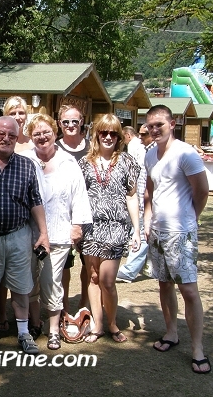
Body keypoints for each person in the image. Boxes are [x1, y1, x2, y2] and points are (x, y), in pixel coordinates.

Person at [143, 104, 211, 374]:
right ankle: (171, 332)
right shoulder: (150, 155)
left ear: (173, 124)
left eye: (159, 124)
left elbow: (202, 191)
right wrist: (148, 220)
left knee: (189, 291)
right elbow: (150, 191)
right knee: (164, 284)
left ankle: (198, 349)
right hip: (158, 231)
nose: (154, 129)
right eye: (150, 126)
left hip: (181, 232)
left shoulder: (186, 153)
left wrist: (191, 218)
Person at [0, 116, 50, 354]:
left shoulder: (26, 165)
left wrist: (44, 233)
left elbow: (35, 201)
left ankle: (24, 333)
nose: (6, 139)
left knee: (21, 286)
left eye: (11, 136)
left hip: (18, 235)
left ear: (17, 139)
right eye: (1, 134)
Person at [20, 114, 92, 349]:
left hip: (59, 232)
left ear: (54, 133)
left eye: (46, 132)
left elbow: (80, 196)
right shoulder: (24, 160)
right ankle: (33, 322)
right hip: (28, 232)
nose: (42, 137)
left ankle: (53, 330)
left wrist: (77, 225)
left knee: (52, 281)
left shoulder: (68, 162)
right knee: (29, 281)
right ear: (31, 137)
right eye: (36, 133)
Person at [78, 114, 141, 343]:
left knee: (107, 280)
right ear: (96, 135)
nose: (107, 137)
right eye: (103, 132)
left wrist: (136, 230)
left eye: (113, 133)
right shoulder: (84, 163)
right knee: (92, 278)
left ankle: (113, 323)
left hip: (116, 228)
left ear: (119, 137)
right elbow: (78, 196)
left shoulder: (127, 162)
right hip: (91, 229)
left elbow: (132, 197)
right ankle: (98, 325)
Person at [0, 96, 34, 334]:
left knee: (23, 276)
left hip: (24, 220)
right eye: (13, 112)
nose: (18, 116)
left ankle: (26, 321)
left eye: (21, 112)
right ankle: (0, 315)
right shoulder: (2, 140)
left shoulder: (32, 142)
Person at [56, 105, 90, 312]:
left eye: (74, 121)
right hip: (61, 214)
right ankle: (64, 306)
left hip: (88, 213)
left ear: (81, 122)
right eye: (66, 122)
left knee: (89, 264)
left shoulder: (91, 147)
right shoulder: (54, 147)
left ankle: (84, 304)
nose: (70, 125)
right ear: (60, 123)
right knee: (64, 265)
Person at [117, 124, 156, 283]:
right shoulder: (147, 151)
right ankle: (150, 267)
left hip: (149, 204)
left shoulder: (150, 151)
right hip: (141, 199)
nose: (140, 138)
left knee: (140, 235)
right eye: (139, 134)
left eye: (144, 135)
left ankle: (129, 270)